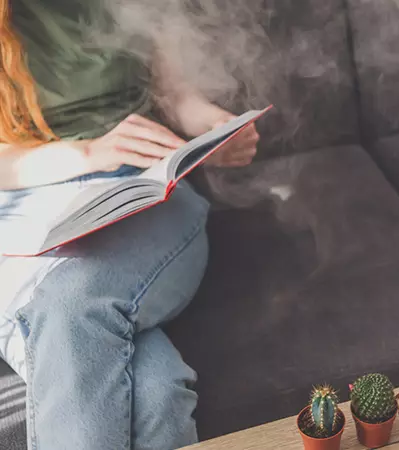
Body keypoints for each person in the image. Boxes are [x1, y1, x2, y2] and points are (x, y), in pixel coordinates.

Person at [0, 0, 259, 448]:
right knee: (156, 395)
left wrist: (216, 128)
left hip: (142, 188)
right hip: (28, 203)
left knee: (69, 307)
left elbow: (178, 97)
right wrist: (87, 152)